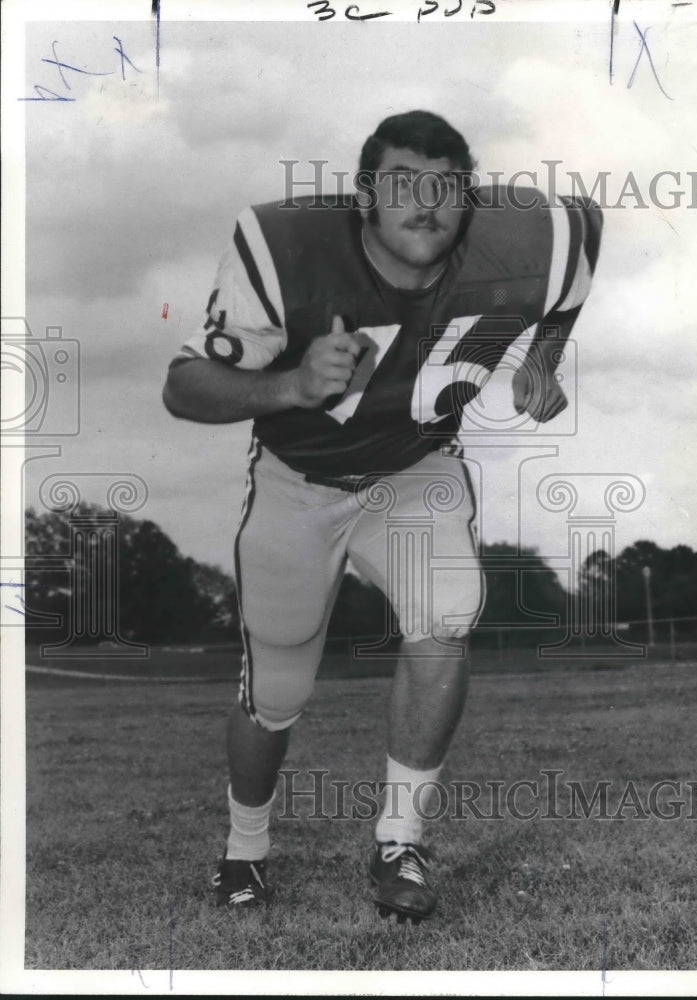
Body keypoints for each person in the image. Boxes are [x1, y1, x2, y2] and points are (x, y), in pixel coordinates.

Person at [163, 110, 602, 923]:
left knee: (446, 616)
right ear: (364, 195)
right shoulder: (283, 245)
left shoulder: (533, 234)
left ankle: (400, 842)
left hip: (414, 467)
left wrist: (542, 356)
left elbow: (581, 243)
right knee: (279, 689)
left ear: (468, 198)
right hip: (299, 478)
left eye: (445, 186)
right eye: (403, 184)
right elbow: (183, 386)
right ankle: (245, 849)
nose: (425, 203)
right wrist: (291, 386)